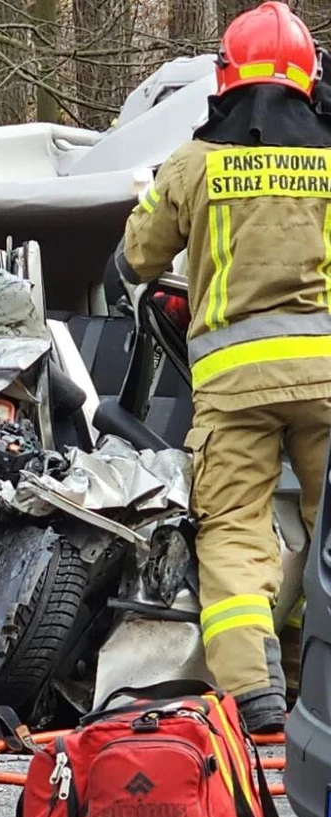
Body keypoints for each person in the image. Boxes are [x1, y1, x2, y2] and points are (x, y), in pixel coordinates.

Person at [114, 0, 331, 734]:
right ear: (310, 76)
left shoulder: (193, 161)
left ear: (225, 77)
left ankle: (255, 693)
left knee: (235, 531)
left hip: (233, 389)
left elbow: (138, 257)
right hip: (329, 383)